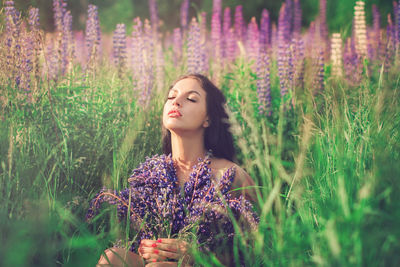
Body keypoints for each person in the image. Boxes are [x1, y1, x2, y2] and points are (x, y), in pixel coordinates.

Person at [96, 74, 257, 267]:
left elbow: (259, 250)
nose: (177, 102)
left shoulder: (230, 175)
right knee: (113, 257)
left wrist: (198, 256)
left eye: (191, 99)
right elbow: (137, 241)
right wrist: (147, 248)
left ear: (208, 118)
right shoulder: (149, 174)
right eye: (171, 97)